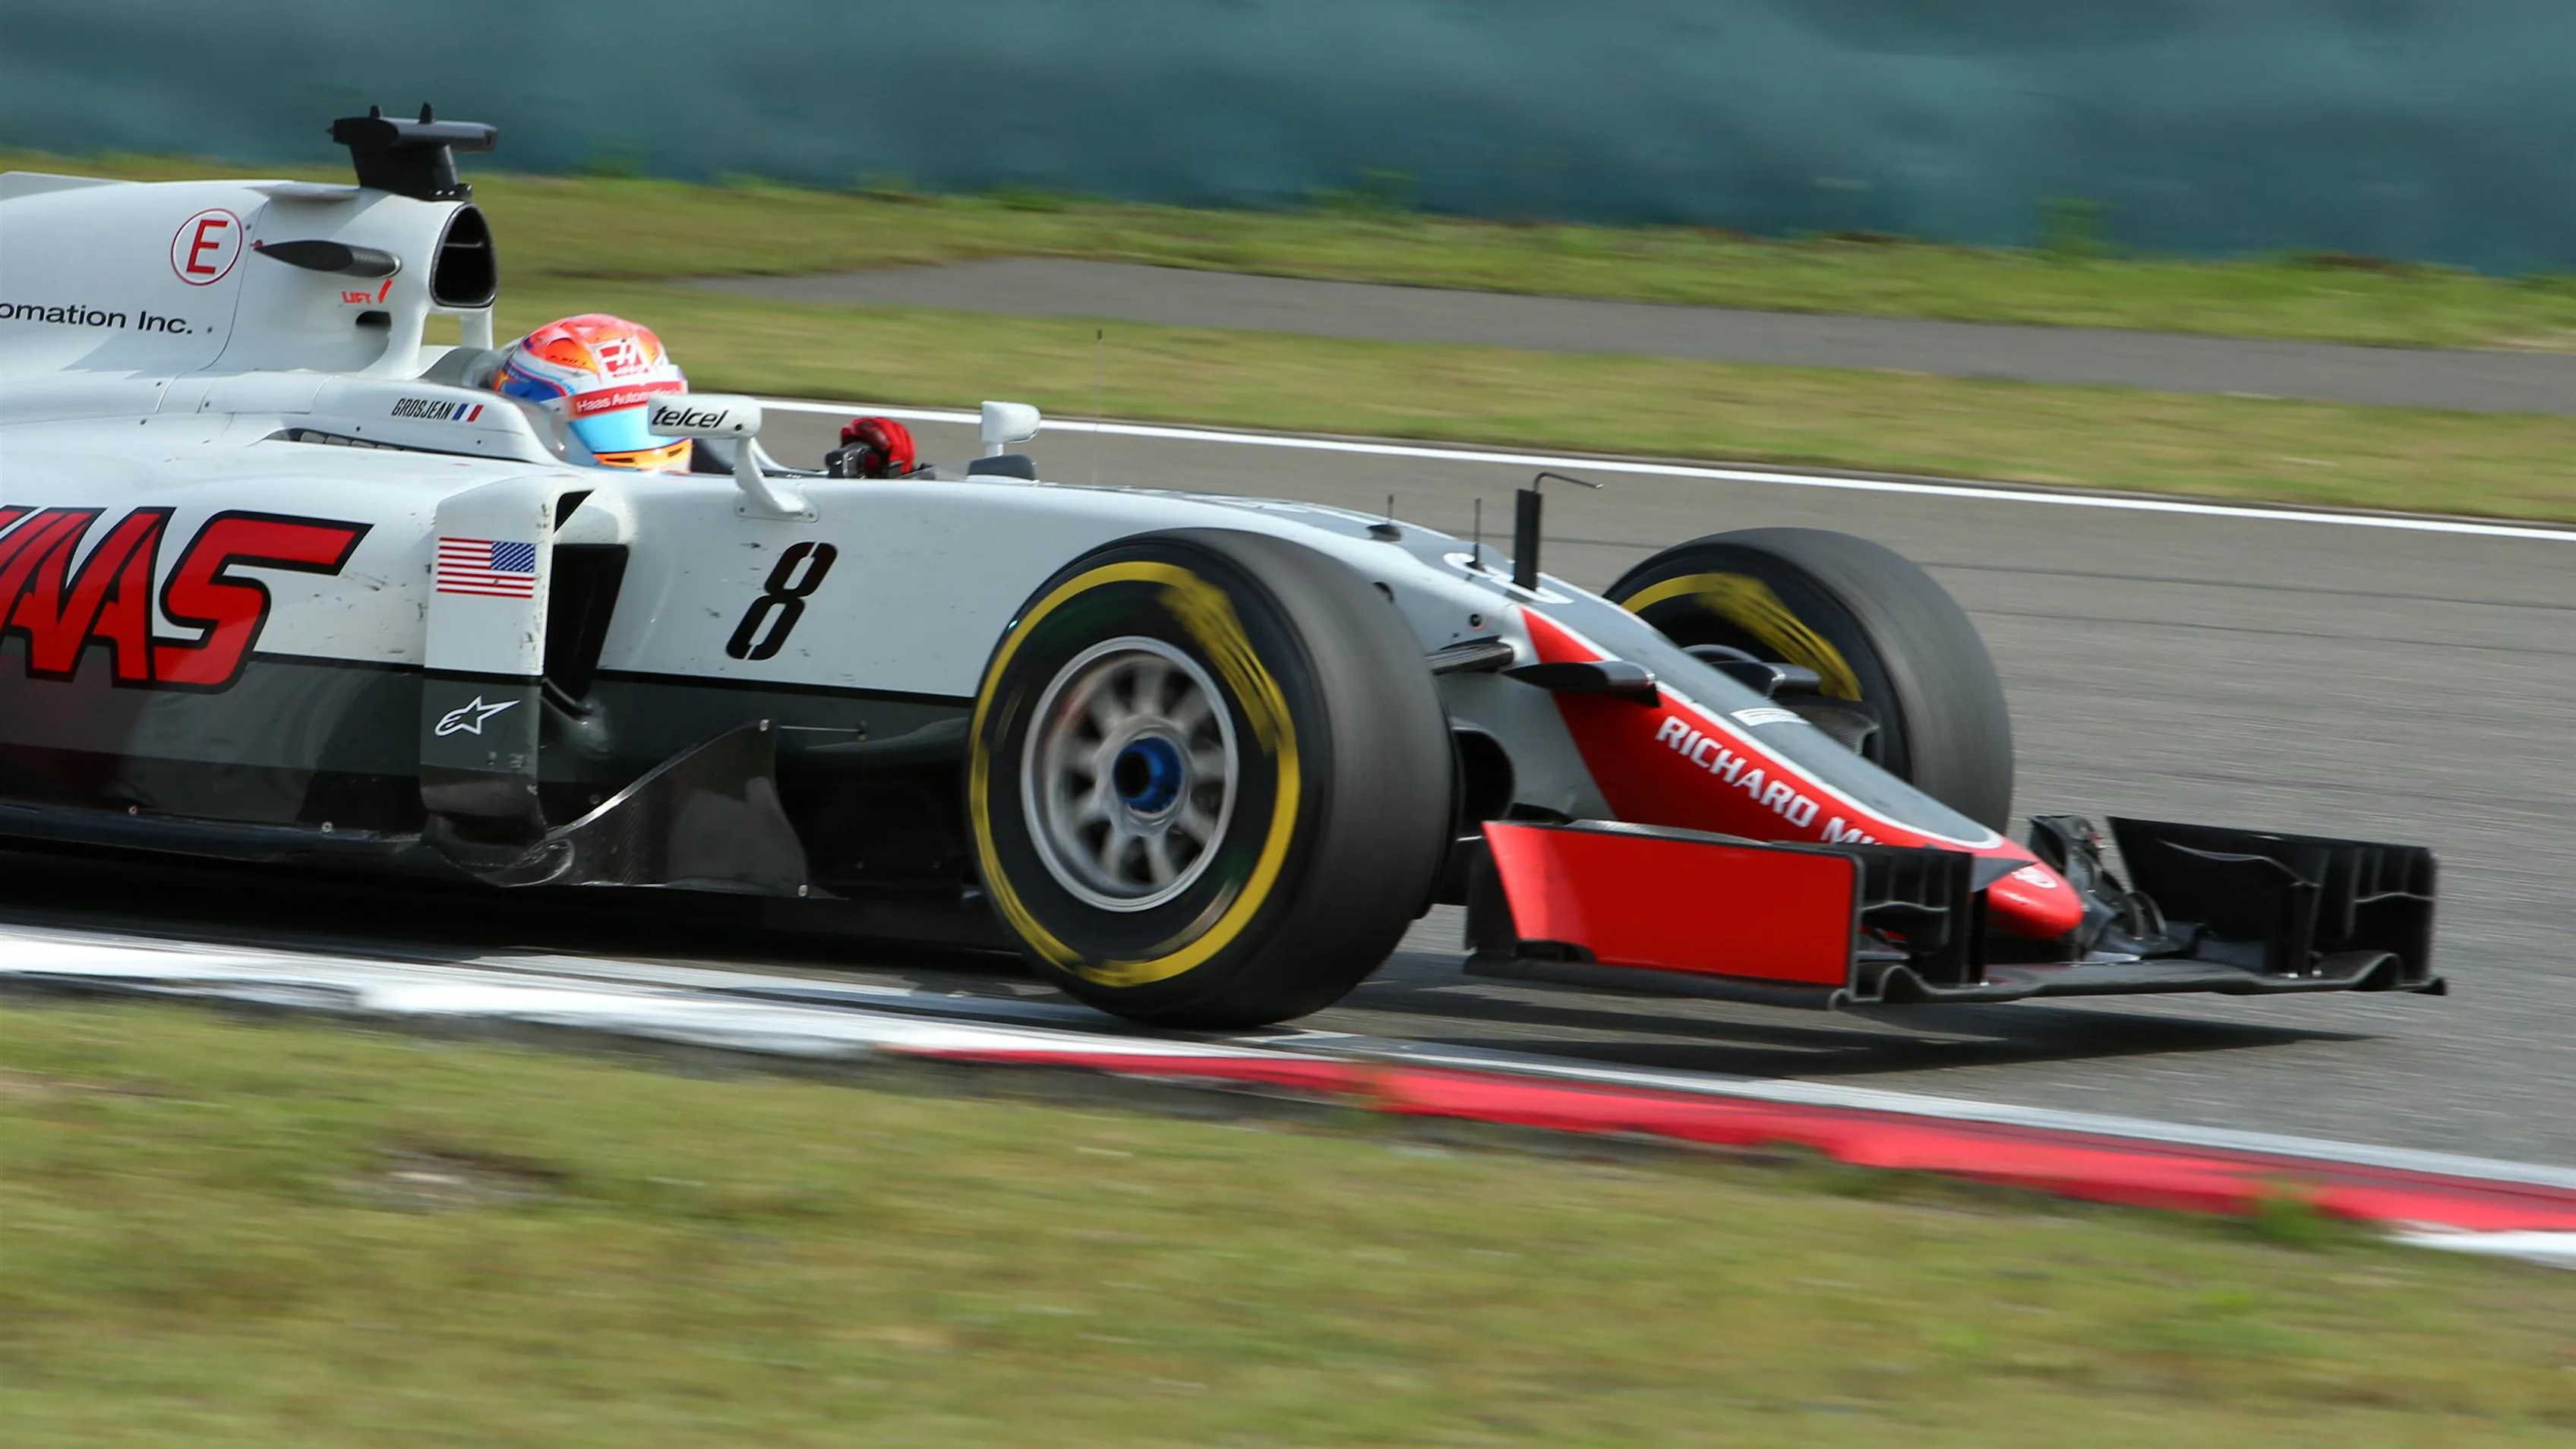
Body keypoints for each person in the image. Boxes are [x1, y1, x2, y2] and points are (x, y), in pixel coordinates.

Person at [492, 313, 918, 477]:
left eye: (648, 413)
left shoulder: (711, 463)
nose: (637, 444)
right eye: (607, 417)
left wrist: (874, 476)